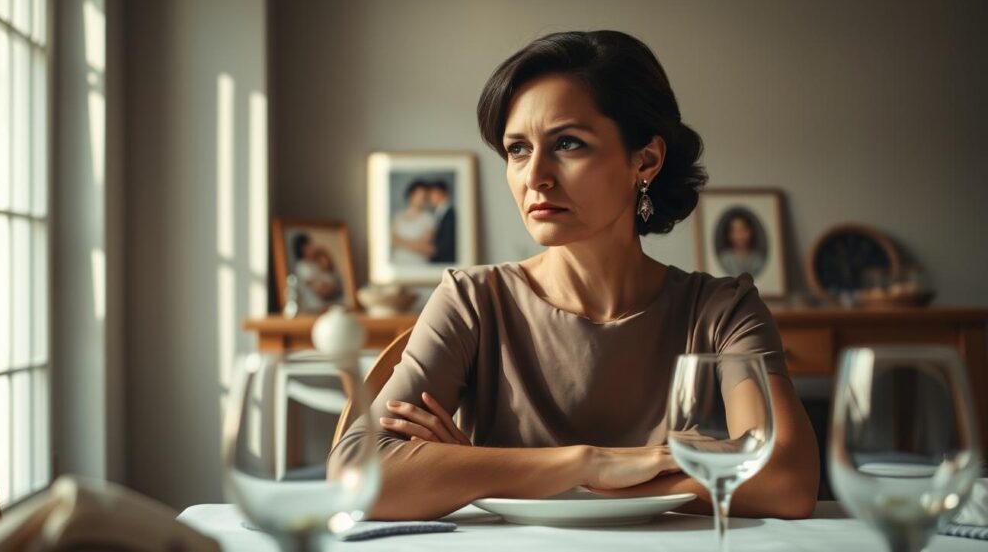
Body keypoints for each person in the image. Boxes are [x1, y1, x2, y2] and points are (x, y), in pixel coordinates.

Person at [330, 30, 819, 521]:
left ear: (645, 160)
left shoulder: (722, 310)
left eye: (567, 143)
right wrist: (593, 463)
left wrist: (482, 471)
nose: (535, 175)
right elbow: (356, 475)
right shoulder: (472, 300)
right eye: (517, 149)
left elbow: (785, 481)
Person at [390, 180, 437, 264]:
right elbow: (391, 240)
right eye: (418, 195)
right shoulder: (398, 216)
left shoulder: (429, 218)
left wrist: (400, 241)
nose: (420, 199)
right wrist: (414, 244)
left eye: (424, 197)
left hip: (418, 264)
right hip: (398, 262)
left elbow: (426, 247)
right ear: (411, 195)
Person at [292, 233, 343, 311]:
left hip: (328, 307)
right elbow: (322, 290)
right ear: (302, 248)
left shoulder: (316, 263)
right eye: (309, 245)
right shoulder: (303, 267)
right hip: (314, 308)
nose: (313, 247)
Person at [716, 209, 766, 277]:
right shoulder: (725, 259)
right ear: (729, 235)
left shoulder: (758, 260)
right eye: (735, 231)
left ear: (750, 232)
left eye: (742, 230)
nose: (739, 235)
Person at [427, 180, 457, 263]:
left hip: (445, 261)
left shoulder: (450, 214)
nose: (429, 198)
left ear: (441, 193)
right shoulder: (439, 213)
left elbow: (446, 243)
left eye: (432, 194)